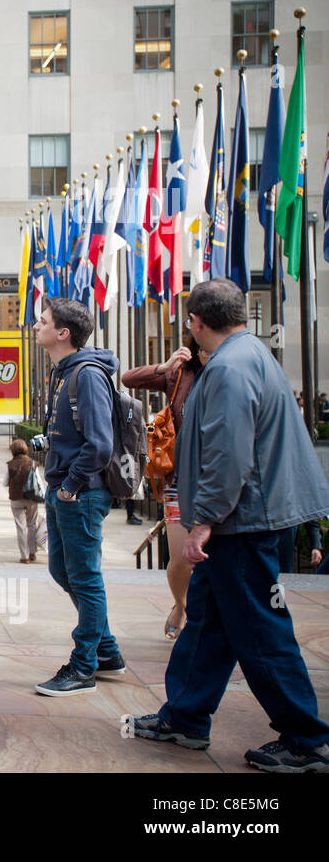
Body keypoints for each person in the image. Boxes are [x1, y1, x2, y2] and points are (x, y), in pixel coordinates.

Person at [133, 278, 329, 772]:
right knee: (207, 621)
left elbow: (228, 453)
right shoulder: (248, 355)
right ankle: (185, 716)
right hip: (244, 518)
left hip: (243, 523)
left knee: (260, 629)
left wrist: (204, 522)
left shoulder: (228, 369)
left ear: (196, 322)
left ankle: (306, 739)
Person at [32, 298, 124, 697]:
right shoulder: (63, 372)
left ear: (63, 333)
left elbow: (99, 445)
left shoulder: (85, 374)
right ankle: (106, 651)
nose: (37, 326)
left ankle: (84, 664)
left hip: (80, 493)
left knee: (85, 579)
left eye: (43, 321)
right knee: (62, 572)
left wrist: (69, 485)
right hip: (63, 489)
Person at [122, 333, 206, 639]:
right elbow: (129, 378)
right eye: (201, 346)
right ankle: (182, 605)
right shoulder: (180, 373)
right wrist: (164, 366)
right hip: (180, 477)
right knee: (181, 557)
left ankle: (202, 617)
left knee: (215, 557)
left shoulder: (229, 371)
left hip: (217, 476)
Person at [6, 439, 44, 563]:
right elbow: (38, 481)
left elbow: (5, 482)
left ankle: (24, 556)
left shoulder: (10, 464)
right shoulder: (32, 463)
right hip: (31, 498)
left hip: (16, 499)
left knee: (20, 527)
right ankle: (32, 552)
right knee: (32, 525)